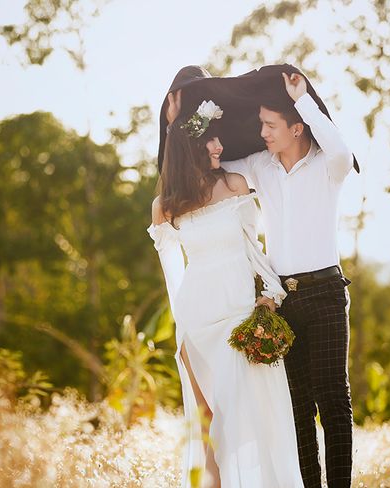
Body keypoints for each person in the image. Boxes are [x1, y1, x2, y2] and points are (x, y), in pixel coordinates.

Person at [166, 69, 356, 488]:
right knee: (297, 408)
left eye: (270, 125)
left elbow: (342, 149)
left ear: (296, 128)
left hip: (325, 293)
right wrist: (177, 124)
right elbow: (200, 162)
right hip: (282, 300)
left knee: (333, 400)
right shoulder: (258, 166)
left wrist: (303, 99)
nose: (263, 133)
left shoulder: (329, 166)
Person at [148, 99, 304, 487]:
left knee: (249, 419)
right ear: (189, 146)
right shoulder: (165, 206)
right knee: (209, 426)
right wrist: (181, 329)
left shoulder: (234, 184)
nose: (219, 146)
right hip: (197, 320)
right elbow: (172, 272)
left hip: (238, 315)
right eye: (210, 140)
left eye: (218, 139)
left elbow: (255, 247)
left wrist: (271, 293)